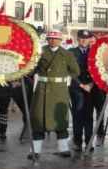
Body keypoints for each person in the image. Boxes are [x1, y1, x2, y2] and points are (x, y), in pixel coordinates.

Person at [28, 29, 80, 159]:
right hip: (42, 90)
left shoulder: (67, 54)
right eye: (50, 38)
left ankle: (63, 149)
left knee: (60, 120)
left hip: (59, 90)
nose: (53, 41)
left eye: (56, 39)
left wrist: (67, 79)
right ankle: (35, 150)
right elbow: (30, 69)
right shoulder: (39, 52)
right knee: (38, 121)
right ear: (47, 40)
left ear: (60, 41)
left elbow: (75, 71)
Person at [69, 29, 98, 151]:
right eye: (81, 38)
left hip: (91, 88)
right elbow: (70, 71)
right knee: (77, 115)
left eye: (86, 38)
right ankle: (77, 141)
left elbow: (98, 71)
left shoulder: (95, 53)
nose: (84, 40)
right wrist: (81, 85)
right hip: (77, 88)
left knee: (89, 116)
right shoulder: (71, 52)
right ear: (77, 39)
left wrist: (91, 84)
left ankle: (89, 141)